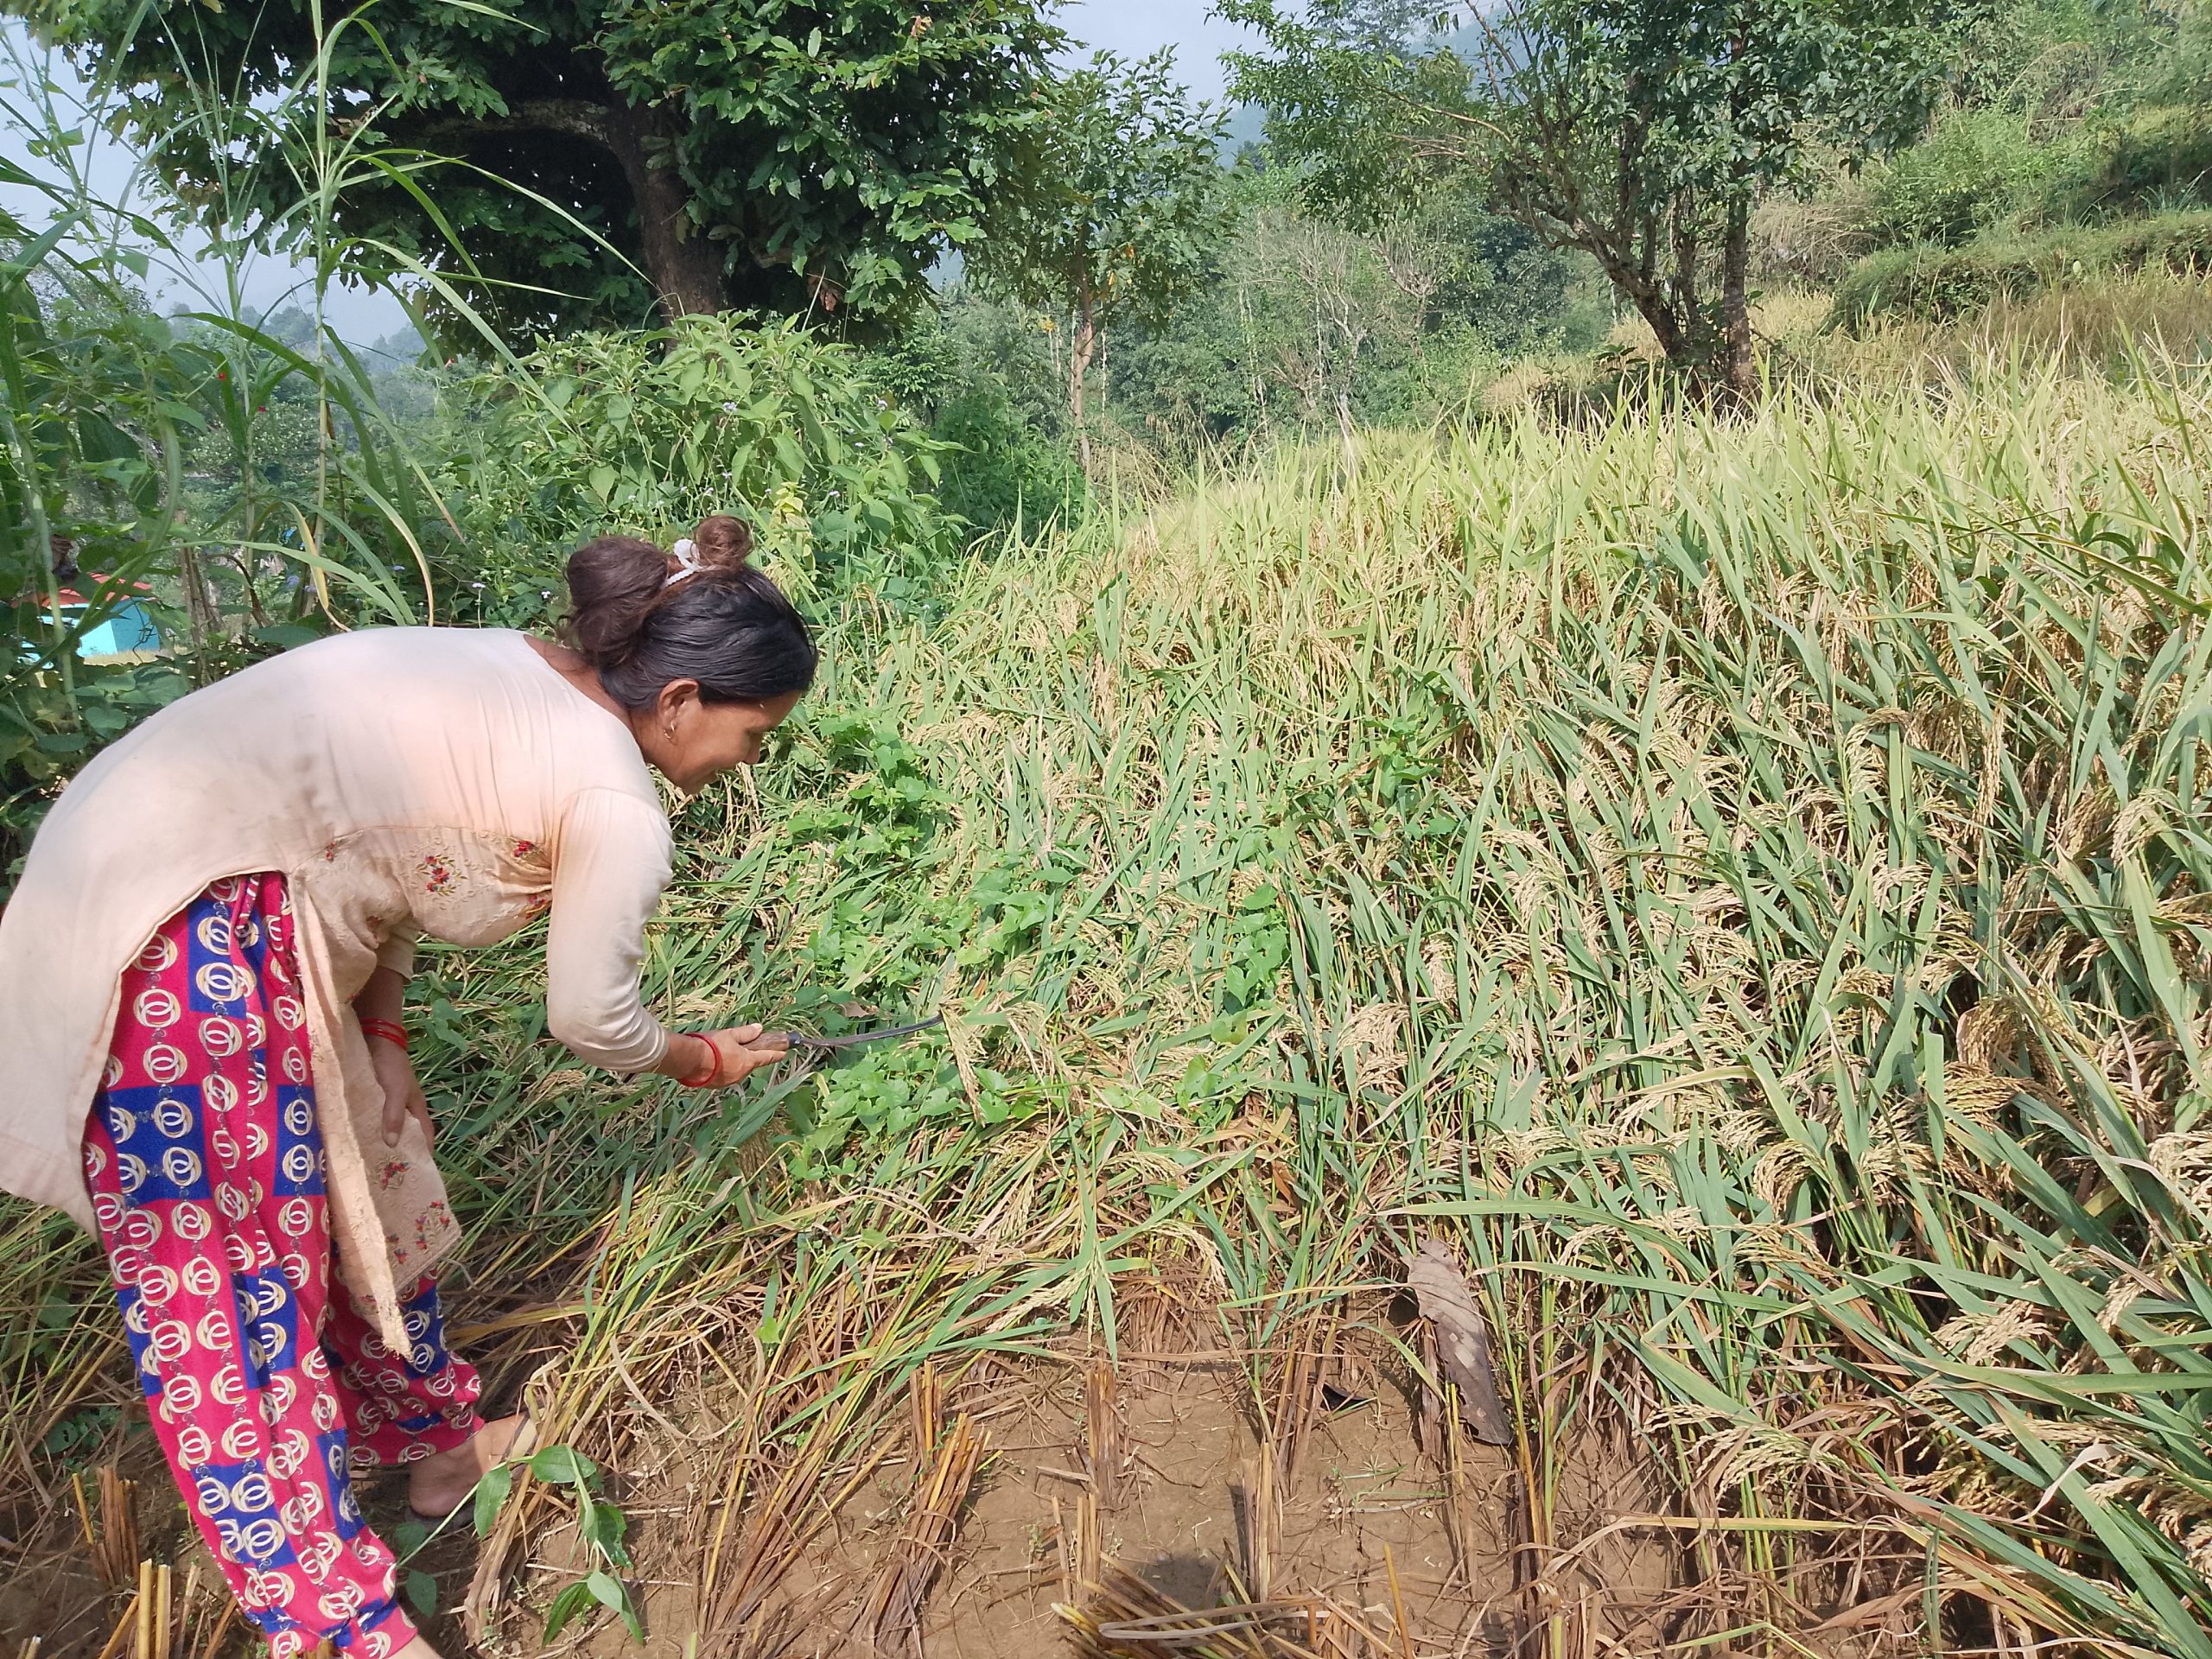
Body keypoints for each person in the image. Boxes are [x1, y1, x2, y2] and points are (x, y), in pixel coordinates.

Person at [0, 515, 808, 1659]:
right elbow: (589, 1016)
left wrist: (380, 1030)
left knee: (378, 1165)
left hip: (209, 887)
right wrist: (695, 1058)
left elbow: (376, 843)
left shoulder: (523, 675)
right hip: (166, 930)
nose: (748, 761)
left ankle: (433, 1445)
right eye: (754, 733)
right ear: (680, 699)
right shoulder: (613, 793)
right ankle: (341, 1628)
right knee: (233, 1299)